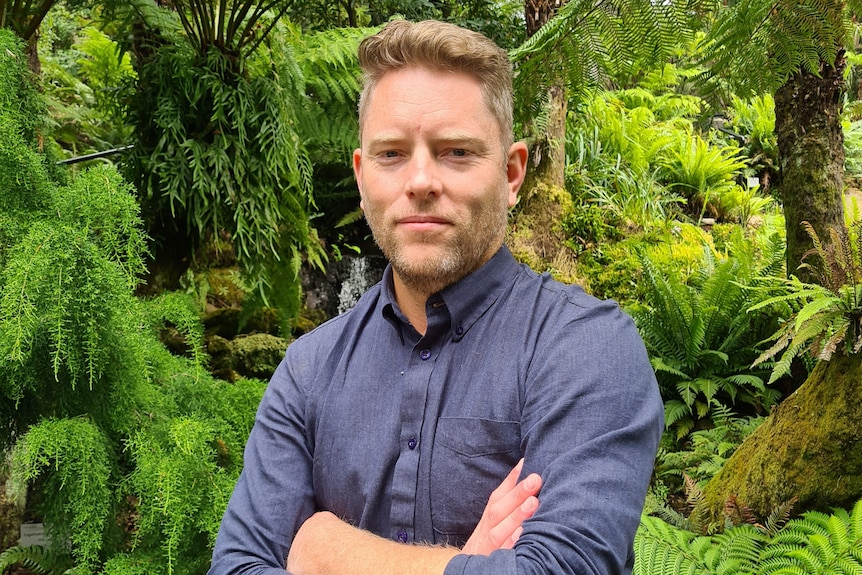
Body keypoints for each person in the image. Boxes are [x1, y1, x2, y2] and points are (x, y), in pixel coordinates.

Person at [208, 19, 663, 575]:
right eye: (392, 154)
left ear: (512, 173)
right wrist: (467, 564)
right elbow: (236, 568)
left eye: (455, 152)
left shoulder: (583, 348)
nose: (420, 180)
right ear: (361, 174)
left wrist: (325, 550)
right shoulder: (309, 370)